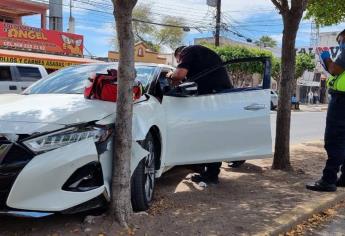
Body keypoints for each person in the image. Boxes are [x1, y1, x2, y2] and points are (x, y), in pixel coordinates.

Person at [168, 45, 233, 184]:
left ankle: (211, 175)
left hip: (213, 98)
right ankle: (207, 171)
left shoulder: (188, 52)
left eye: (178, 61)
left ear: (179, 55)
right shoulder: (201, 55)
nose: (180, 62)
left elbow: (179, 75)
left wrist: (171, 76)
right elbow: (191, 81)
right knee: (212, 136)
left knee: (210, 137)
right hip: (219, 97)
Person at [306, 29, 345, 192]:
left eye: (341, 41)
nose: (341, 45)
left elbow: (335, 69)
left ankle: (328, 179)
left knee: (334, 139)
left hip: (342, 100)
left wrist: (325, 57)